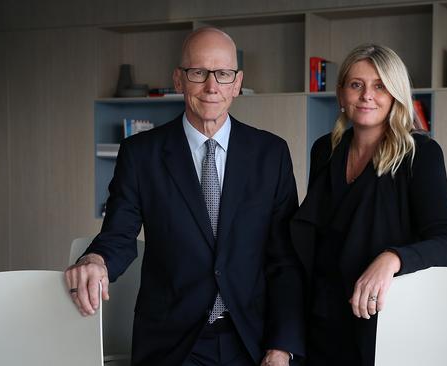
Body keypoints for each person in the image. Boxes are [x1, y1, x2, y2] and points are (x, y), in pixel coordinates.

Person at [65, 27, 304, 366]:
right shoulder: (140, 154)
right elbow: (118, 235)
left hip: (252, 338)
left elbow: (284, 259)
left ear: (237, 83)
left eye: (223, 74)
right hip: (172, 343)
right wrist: (95, 261)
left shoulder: (271, 153)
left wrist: (281, 346)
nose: (211, 87)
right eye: (198, 73)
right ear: (178, 80)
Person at [290, 44, 447, 365]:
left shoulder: (420, 153)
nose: (367, 95)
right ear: (341, 95)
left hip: (385, 322)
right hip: (323, 320)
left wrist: (392, 258)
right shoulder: (324, 151)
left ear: (395, 94)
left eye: (380, 85)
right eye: (356, 85)